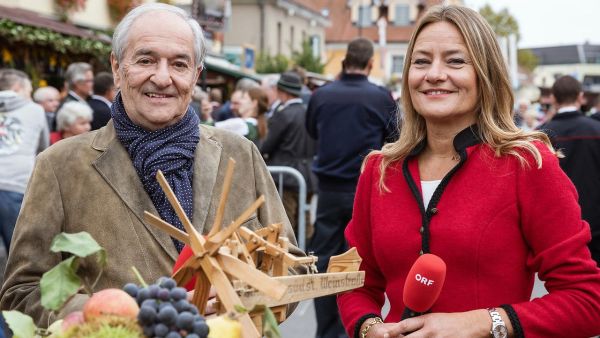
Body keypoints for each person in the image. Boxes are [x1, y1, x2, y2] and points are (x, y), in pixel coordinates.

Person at [0, 3, 301, 326]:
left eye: (179, 64)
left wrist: (240, 296)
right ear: (117, 68)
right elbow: (23, 292)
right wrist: (124, 315)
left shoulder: (240, 154)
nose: (162, 77)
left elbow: (292, 267)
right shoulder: (60, 166)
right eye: (145, 60)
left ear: (196, 74)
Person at [338, 5, 600, 338]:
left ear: (485, 73)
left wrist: (483, 323)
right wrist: (368, 327)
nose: (434, 73)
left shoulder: (527, 164)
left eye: (455, 60)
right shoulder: (379, 170)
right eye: (421, 61)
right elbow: (356, 282)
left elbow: (587, 300)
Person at [306, 37, 397, 338]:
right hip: (364, 187)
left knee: (326, 261)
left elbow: (311, 129)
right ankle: (355, 327)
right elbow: (393, 138)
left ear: (345, 60)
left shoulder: (323, 94)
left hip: (330, 188)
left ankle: (327, 330)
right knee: (360, 264)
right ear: (371, 63)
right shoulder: (381, 97)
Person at [538, 75, 600, 266]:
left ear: (554, 99)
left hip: (560, 226)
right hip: (597, 220)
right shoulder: (597, 129)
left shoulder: (541, 135)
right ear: (580, 97)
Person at [260, 72, 317, 243]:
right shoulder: (308, 112)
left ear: (281, 91)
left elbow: (268, 145)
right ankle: (307, 258)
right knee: (304, 220)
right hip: (307, 173)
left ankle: (289, 263)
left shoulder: (284, 114)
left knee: (285, 222)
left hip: (286, 175)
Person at [0, 69, 49, 251]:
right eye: (29, 92)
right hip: (16, 183)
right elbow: (43, 148)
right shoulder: (35, 109)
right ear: (18, 87)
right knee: (17, 253)